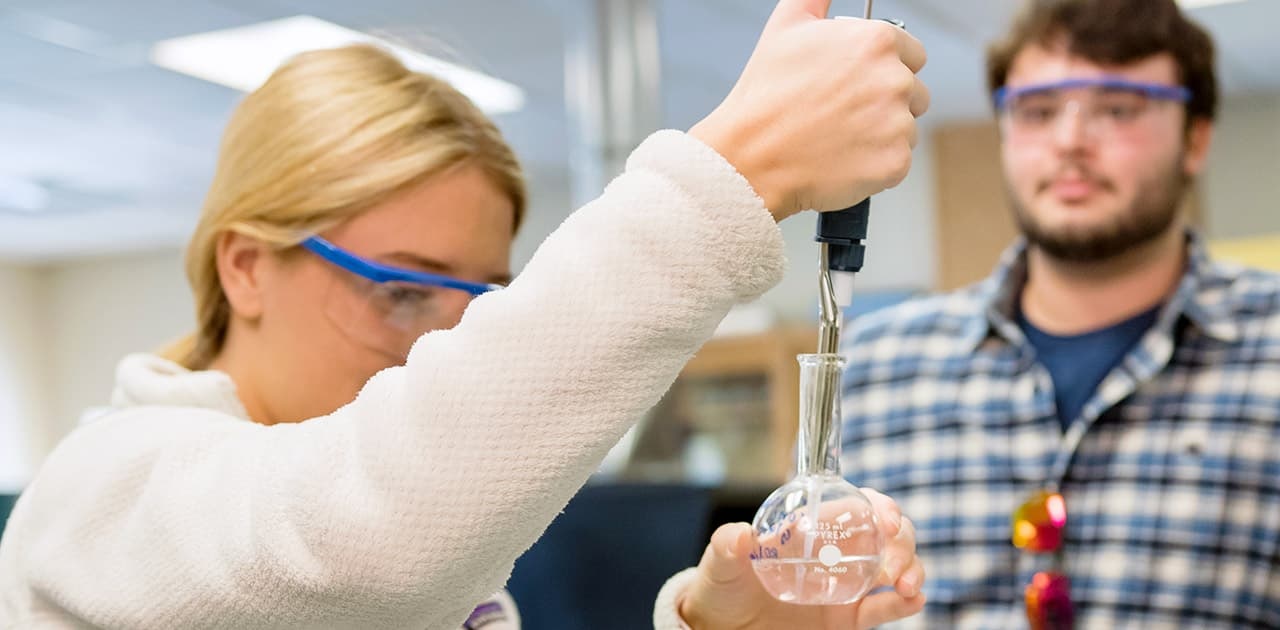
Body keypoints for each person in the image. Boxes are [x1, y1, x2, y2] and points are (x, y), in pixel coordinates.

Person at [0, 0, 932, 628]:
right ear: (245, 267)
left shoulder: (448, 570)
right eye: (402, 289)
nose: (446, 342)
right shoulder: (101, 497)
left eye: (481, 301)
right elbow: (360, 535)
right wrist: (735, 177)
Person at [763, 0, 1271, 628]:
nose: (1070, 140)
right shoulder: (873, 369)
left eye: (1117, 107)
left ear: (1196, 138)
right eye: (1037, 112)